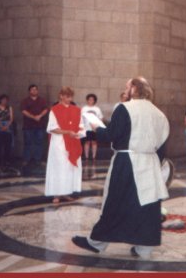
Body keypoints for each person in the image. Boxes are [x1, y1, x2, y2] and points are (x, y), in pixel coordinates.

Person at [72, 77, 169, 259]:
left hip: (126, 161)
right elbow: (163, 145)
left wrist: (94, 127)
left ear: (134, 88)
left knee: (114, 203)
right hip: (150, 163)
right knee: (147, 207)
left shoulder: (125, 108)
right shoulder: (159, 114)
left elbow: (111, 135)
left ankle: (96, 243)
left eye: (127, 87)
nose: (125, 90)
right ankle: (143, 249)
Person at [45, 87, 85, 204]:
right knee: (59, 167)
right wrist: (68, 132)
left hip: (73, 141)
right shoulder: (54, 110)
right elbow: (52, 128)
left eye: (71, 96)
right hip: (59, 143)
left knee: (68, 168)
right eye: (66, 96)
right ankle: (57, 194)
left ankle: (66, 192)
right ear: (61, 96)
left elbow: (81, 125)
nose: (69, 98)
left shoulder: (77, 110)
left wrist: (79, 133)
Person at [20, 84, 48, 166]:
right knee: (28, 143)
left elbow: (46, 109)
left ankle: (38, 159)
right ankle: (26, 159)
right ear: (29, 91)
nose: (34, 91)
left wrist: (39, 116)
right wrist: (33, 117)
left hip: (40, 126)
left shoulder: (42, 100)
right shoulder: (25, 100)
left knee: (39, 143)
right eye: (32, 89)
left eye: (36, 89)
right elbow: (23, 111)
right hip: (28, 126)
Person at [0, 94, 14, 167]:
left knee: (8, 144)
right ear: (0, 100)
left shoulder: (9, 108)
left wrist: (7, 126)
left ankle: (7, 160)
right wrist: (1, 126)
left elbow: (11, 118)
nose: (4, 101)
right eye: (3, 99)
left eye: (6, 100)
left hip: (8, 126)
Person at [81, 93, 103, 161]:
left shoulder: (97, 109)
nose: (91, 101)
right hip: (86, 128)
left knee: (94, 142)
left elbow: (100, 118)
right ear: (87, 100)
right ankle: (86, 157)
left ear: (94, 101)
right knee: (87, 142)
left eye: (92, 100)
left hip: (94, 128)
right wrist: (81, 126)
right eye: (89, 99)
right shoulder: (84, 108)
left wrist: (98, 126)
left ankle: (94, 157)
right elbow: (80, 118)